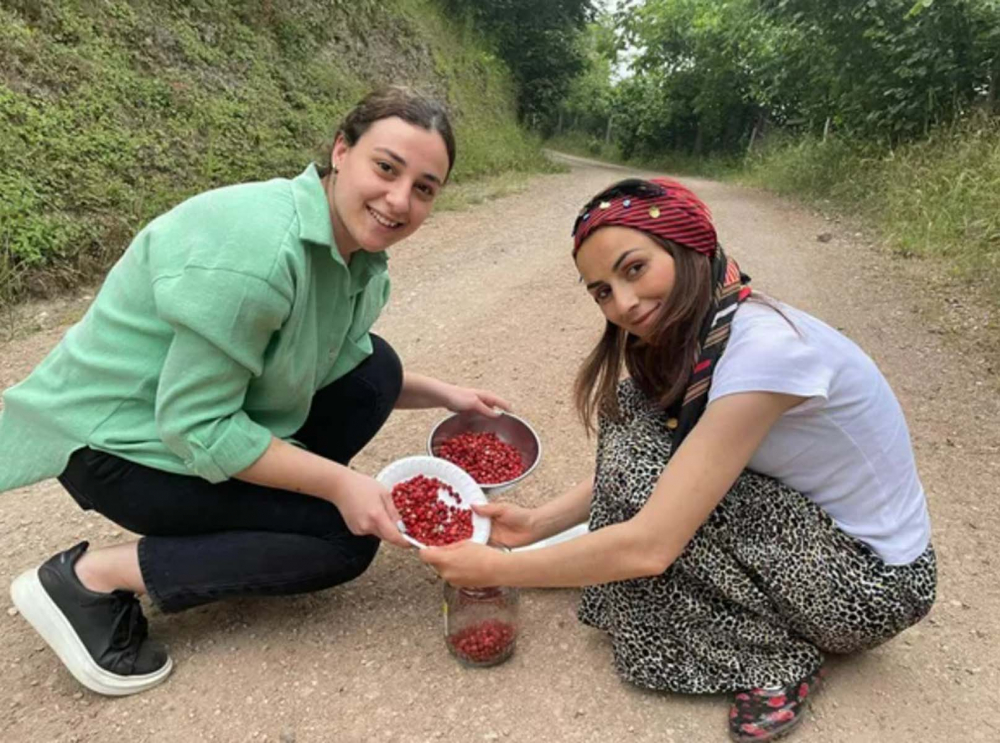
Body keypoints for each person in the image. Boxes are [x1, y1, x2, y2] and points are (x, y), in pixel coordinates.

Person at [2, 86, 509, 696]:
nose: (399, 200)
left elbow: (329, 361)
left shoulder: (352, 257)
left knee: (377, 371)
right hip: (119, 448)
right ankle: (87, 579)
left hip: (191, 418)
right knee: (340, 540)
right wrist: (339, 485)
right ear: (341, 150)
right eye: (386, 168)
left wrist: (447, 395)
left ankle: (265, 512)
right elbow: (196, 427)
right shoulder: (261, 254)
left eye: (424, 188)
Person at [421, 177, 936, 742]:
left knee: (645, 528)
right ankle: (648, 571)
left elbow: (649, 545)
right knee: (640, 420)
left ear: (688, 246)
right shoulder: (710, 330)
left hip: (870, 585)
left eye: (634, 268)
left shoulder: (766, 349)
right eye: (601, 291)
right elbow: (654, 472)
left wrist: (500, 570)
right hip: (815, 537)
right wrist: (538, 525)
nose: (623, 303)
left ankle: (774, 659)